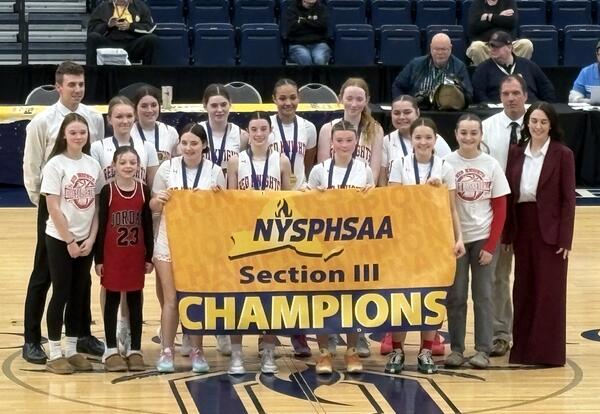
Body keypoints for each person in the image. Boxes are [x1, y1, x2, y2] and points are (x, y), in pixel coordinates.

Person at [22, 61, 105, 364]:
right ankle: (32, 339)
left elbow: (94, 157)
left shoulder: (94, 118)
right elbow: (32, 166)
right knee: (44, 274)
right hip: (53, 204)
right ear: (58, 87)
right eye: (71, 84)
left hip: (83, 203)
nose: (77, 89)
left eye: (81, 84)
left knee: (82, 276)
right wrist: (44, 204)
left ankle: (81, 334)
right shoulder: (41, 122)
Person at [384, 118, 465, 375]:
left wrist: (459, 238)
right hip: (404, 240)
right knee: (402, 297)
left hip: (435, 240)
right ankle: (397, 350)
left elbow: (452, 208)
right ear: (411, 140)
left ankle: (426, 351)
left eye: (428, 137)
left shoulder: (445, 167)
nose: (423, 142)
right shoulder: (399, 164)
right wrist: (423, 191)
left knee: (431, 297)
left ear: (436, 139)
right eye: (418, 137)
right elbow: (393, 202)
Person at [503, 102, 576, 366]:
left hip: (550, 231)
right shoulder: (516, 152)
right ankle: (522, 350)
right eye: (534, 121)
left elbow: (568, 200)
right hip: (523, 226)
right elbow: (509, 194)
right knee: (523, 288)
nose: (538, 126)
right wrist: (507, 233)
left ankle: (548, 353)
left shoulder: (562, 154)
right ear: (527, 123)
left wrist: (565, 238)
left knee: (549, 291)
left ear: (551, 125)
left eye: (543, 122)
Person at [151, 123, 226, 373]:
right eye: (184, 143)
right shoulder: (167, 168)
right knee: (171, 299)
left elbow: (221, 212)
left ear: (204, 145)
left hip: (198, 242)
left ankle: (197, 351)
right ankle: (166, 351)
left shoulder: (215, 171)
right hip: (168, 238)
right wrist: (159, 200)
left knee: (195, 298)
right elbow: (152, 205)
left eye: (194, 143)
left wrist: (215, 198)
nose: (189, 147)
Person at [226, 112, 292, 374]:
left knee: (270, 296)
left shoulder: (282, 161)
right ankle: (236, 352)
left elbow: (289, 200)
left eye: (264, 128)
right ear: (248, 132)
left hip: (273, 237)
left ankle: (268, 349)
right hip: (243, 236)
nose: (259, 133)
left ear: (270, 130)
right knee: (238, 295)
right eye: (254, 129)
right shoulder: (236, 160)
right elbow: (230, 200)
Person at [443, 114, 511, 369]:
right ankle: (456, 349)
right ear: (456, 134)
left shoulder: (491, 164)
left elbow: (500, 208)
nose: (468, 137)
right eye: (464, 133)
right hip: (456, 241)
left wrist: (491, 245)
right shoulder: (446, 162)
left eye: (474, 133)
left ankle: (483, 350)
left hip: (483, 238)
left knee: (484, 297)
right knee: (456, 296)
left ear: (481, 135)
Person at [308, 120, 374, 374]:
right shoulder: (319, 170)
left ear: (356, 142)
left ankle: (351, 350)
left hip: (354, 244)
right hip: (323, 244)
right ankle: (324, 352)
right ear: (331, 143)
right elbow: (306, 206)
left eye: (349, 140)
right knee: (321, 298)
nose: (344, 145)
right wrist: (307, 192)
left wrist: (372, 193)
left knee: (352, 299)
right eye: (339, 140)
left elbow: (372, 208)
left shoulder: (364, 169)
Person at [41, 113, 102, 374]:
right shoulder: (55, 165)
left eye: (82, 132)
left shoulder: (93, 165)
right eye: (73, 132)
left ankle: (72, 349)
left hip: (85, 241)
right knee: (62, 292)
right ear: (64, 135)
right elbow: (53, 207)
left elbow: (97, 207)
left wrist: (91, 238)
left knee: (79, 294)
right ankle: (55, 352)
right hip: (60, 239)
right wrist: (69, 240)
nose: (78, 136)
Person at [95, 146, 154, 372]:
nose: (128, 166)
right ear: (113, 166)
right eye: (123, 162)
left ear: (139, 165)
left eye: (132, 162)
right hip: (113, 256)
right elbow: (101, 227)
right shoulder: (108, 191)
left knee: (135, 301)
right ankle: (110, 349)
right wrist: (98, 259)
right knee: (111, 301)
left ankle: (135, 349)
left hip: (135, 256)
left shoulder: (143, 190)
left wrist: (149, 256)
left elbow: (147, 225)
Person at [481, 75, 527, 357]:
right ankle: (500, 333)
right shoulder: (487, 127)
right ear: (500, 97)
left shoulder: (537, 122)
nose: (511, 98)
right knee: (498, 275)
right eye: (506, 93)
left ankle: (531, 331)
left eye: (515, 93)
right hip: (499, 208)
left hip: (530, 209)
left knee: (531, 274)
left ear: (525, 95)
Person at [318, 78, 384, 188]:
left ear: (367, 100)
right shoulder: (327, 129)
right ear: (340, 99)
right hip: (333, 190)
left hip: (361, 192)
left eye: (359, 99)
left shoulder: (375, 130)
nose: (354, 104)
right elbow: (323, 169)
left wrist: (368, 189)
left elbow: (374, 172)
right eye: (349, 99)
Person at [379, 95, 452, 187]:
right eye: (396, 113)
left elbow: (449, 175)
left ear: (417, 112)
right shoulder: (387, 141)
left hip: (432, 195)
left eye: (407, 112)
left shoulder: (437, 141)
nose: (401, 117)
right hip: (398, 193)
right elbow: (382, 180)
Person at [472, 31, 555, 104]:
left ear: (509, 47)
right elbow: (479, 95)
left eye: (497, 46)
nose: (492, 49)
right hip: (498, 111)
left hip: (530, 110)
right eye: (491, 46)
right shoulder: (483, 68)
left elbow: (547, 89)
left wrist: (543, 108)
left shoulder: (528, 65)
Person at [391, 33, 473, 104]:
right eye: (436, 49)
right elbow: (397, 86)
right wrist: (404, 103)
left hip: (448, 111)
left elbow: (468, 95)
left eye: (444, 49)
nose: (440, 53)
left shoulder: (459, 67)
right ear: (430, 48)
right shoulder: (415, 64)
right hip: (419, 109)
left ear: (450, 48)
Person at [87, 0, 157, 65]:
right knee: (93, 37)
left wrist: (130, 26)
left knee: (151, 39)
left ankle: (149, 73)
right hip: (109, 43)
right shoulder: (103, 7)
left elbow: (149, 28)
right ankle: (91, 72)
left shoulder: (140, 6)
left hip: (132, 44)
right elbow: (92, 28)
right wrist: (108, 25)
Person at [200, 84, 249, 174]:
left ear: (230, 104)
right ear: (205, 106)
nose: (219, 110)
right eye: (214, 105)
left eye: (223, 105)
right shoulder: (196, 133)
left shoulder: (242, 136)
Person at [466, 0, 533, 66]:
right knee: (476, 47)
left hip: (508, 46)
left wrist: (489, 17)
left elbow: (511, 22)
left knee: (526, 44)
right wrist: (500, 17)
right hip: (486, 46)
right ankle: (487, 71)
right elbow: (474, 26)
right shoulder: (477, 4)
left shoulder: (509, 2)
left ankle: (515, 71)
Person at [131, 85, 179, 163]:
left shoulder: (170, 132)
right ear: (135, 109)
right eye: (144, 106)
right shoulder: (129, 133)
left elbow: (177, 162)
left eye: (153, 105)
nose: (150, 110)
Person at [286, 0, 331, 65]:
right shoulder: (292, 9)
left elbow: (322, 26)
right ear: (302, 1)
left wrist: (303, 21)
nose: (311, 5)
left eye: (312, 4)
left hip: (318, 43)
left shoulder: (321, 8)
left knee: (319, 59)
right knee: (305, 59)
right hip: (298, 44)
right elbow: (292, 29)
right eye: (308, 3)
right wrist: (313, 23)